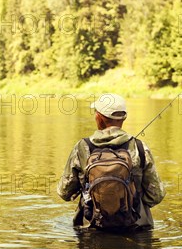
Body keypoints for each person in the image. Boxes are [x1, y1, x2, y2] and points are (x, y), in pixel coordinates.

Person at [57, 93, 166, 229]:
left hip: (92, 226)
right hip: (135, 226)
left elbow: (64, 192)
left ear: (99, 117)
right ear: (124, 118)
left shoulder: (82, 147)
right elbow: (156, 195)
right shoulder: (139, 147)